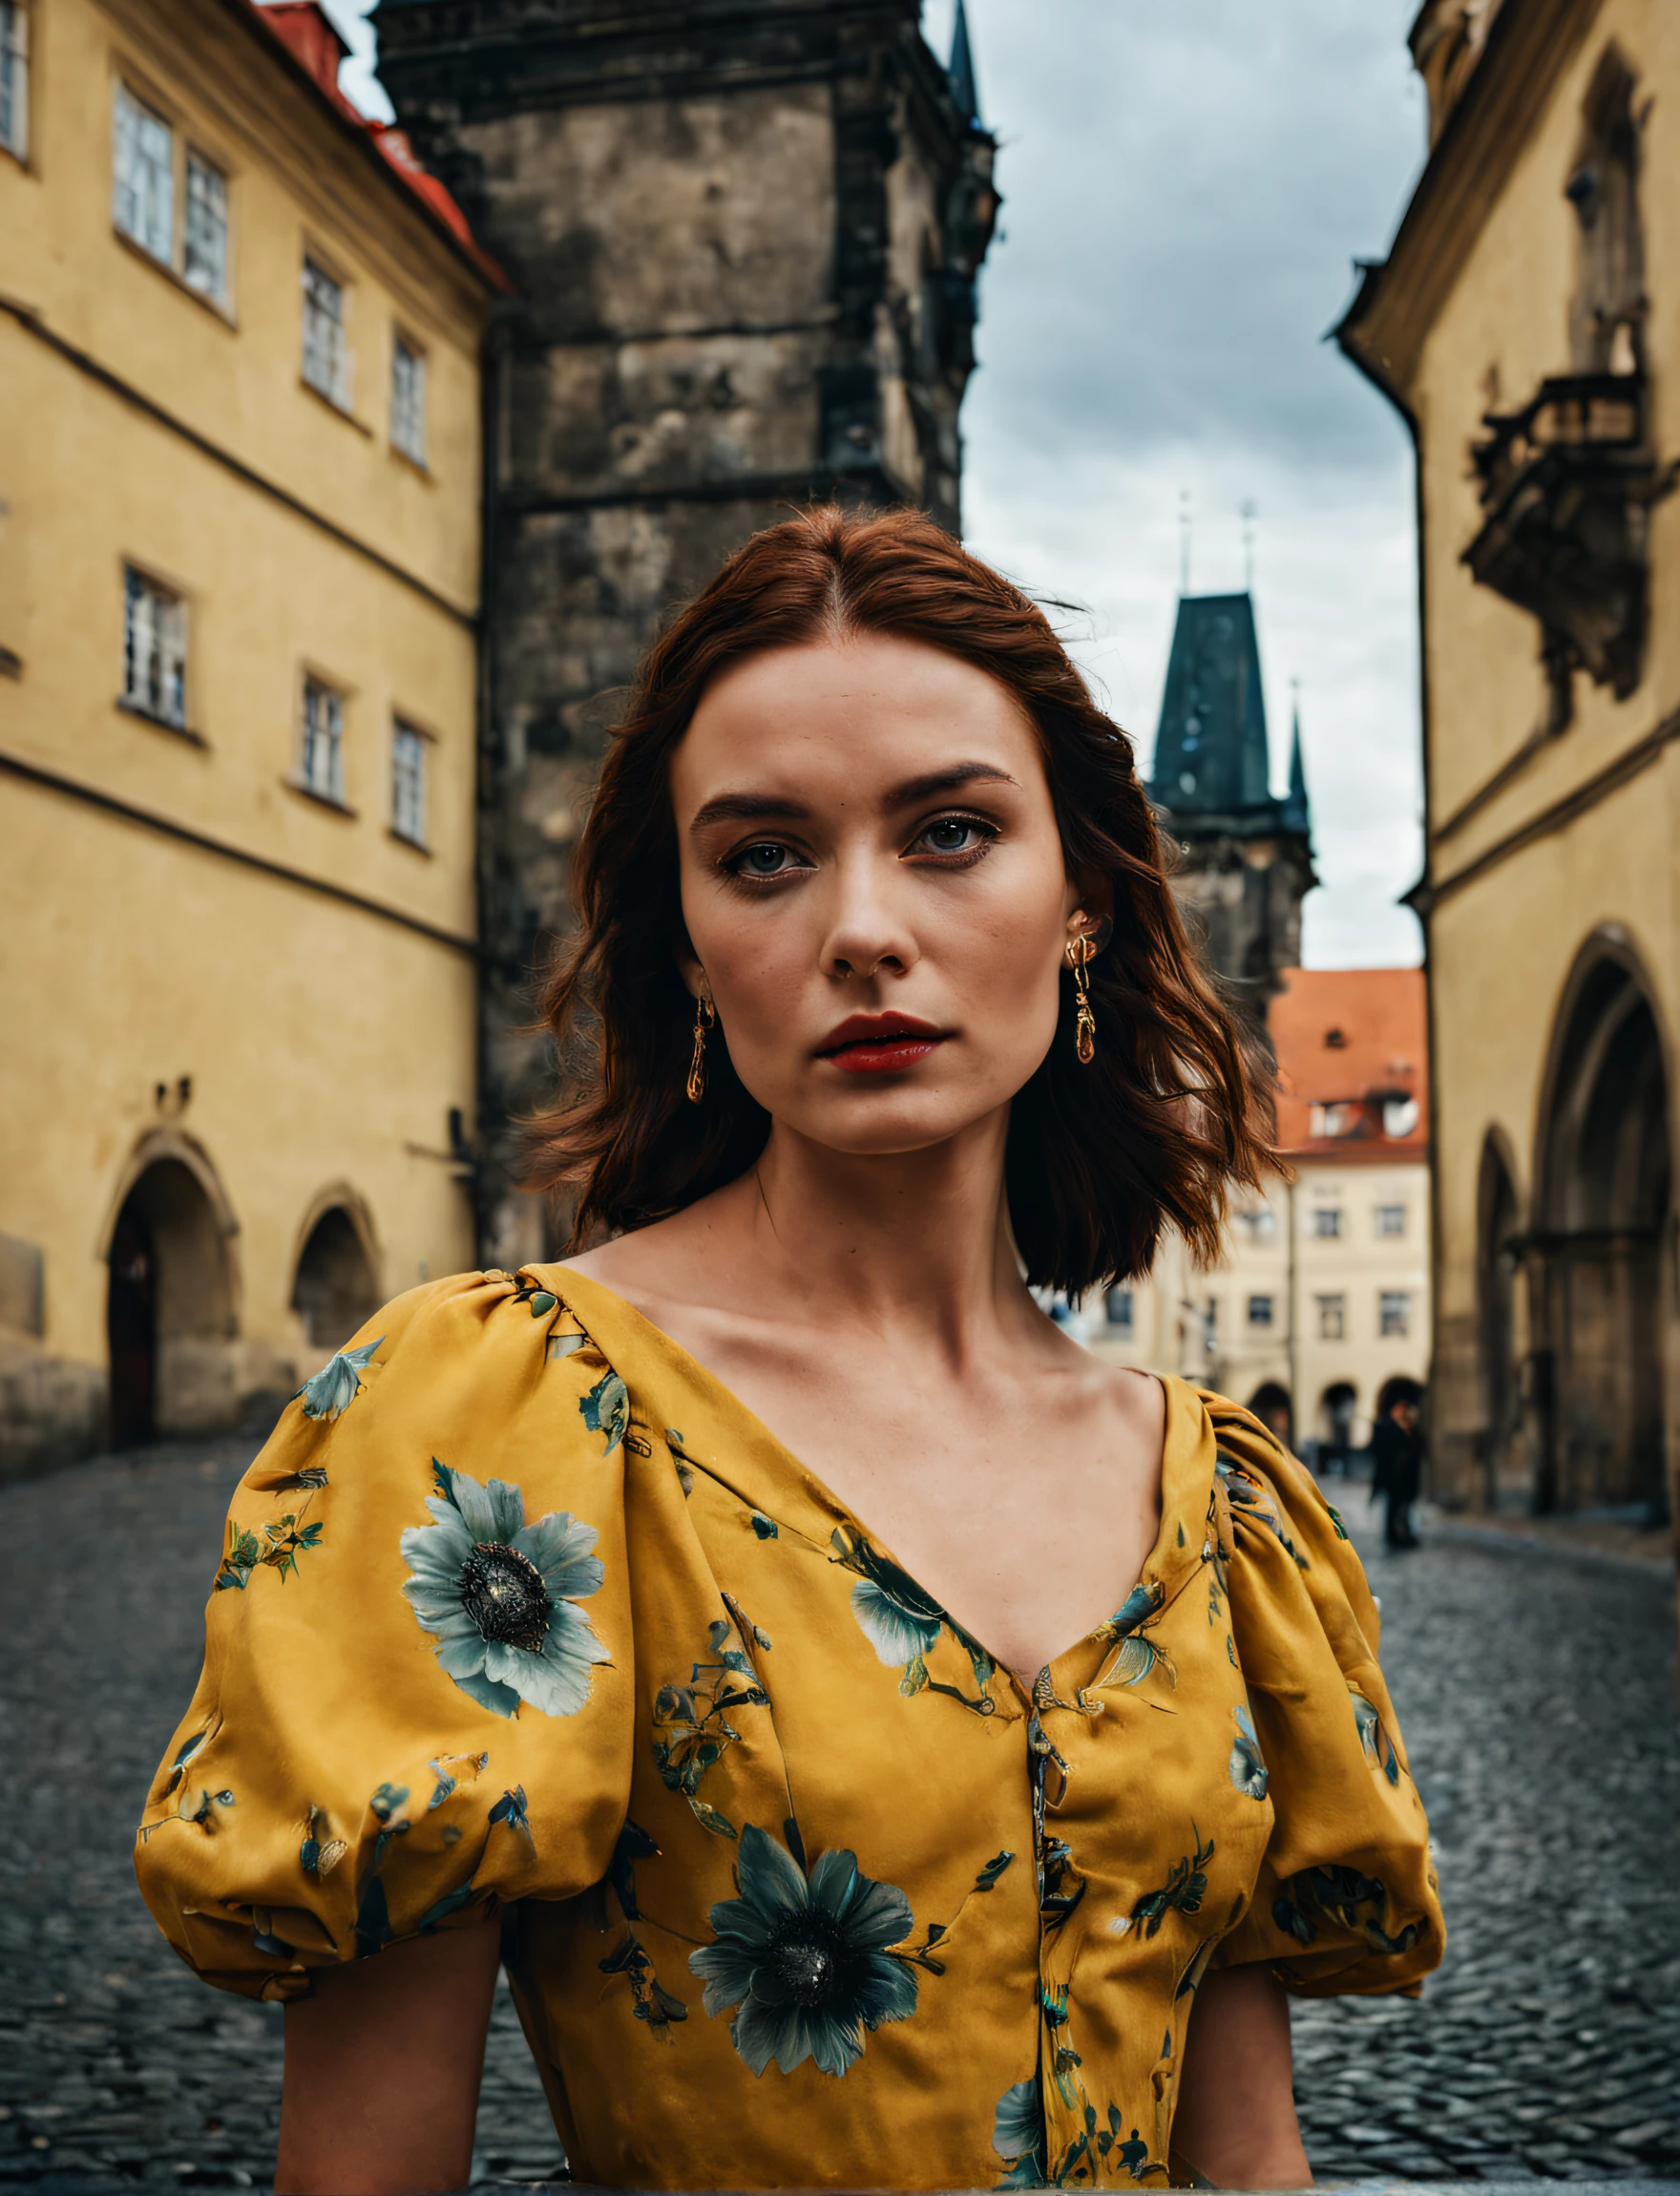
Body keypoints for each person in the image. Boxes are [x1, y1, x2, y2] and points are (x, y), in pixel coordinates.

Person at [136, 509, 1442, 2196]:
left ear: (1085, 905)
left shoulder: (1215, 1499)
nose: (861, 928)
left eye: (953, 831)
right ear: (688, 947)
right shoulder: (512, 1426)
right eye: (765, 855)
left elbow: (1251, 2161)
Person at [1369, 1379, 1427, 1551]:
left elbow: (1417, 1445)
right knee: (1393, 1508)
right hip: (1394, 1476)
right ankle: (1394, 1535)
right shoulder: (1387, 1426)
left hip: (1406, 1476)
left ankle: (1403, 1533)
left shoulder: (1408, 1427)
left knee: (1404, 1507)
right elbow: (1382, 1450)